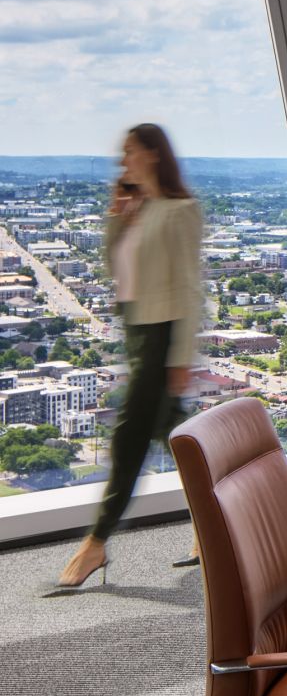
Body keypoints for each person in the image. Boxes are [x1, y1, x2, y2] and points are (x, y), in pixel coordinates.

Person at [59, 124, 204, 588]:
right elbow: (113, 268)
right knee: (175, 438)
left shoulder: (180, 211)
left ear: (153, 156)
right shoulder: (137, 211)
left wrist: (179, 359)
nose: (123, 163)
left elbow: (189, 288)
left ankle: (94, 545)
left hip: (162, 340)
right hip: (138, 336)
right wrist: (118, 216)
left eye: (129, 153)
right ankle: (215, 523)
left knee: (127, 441)